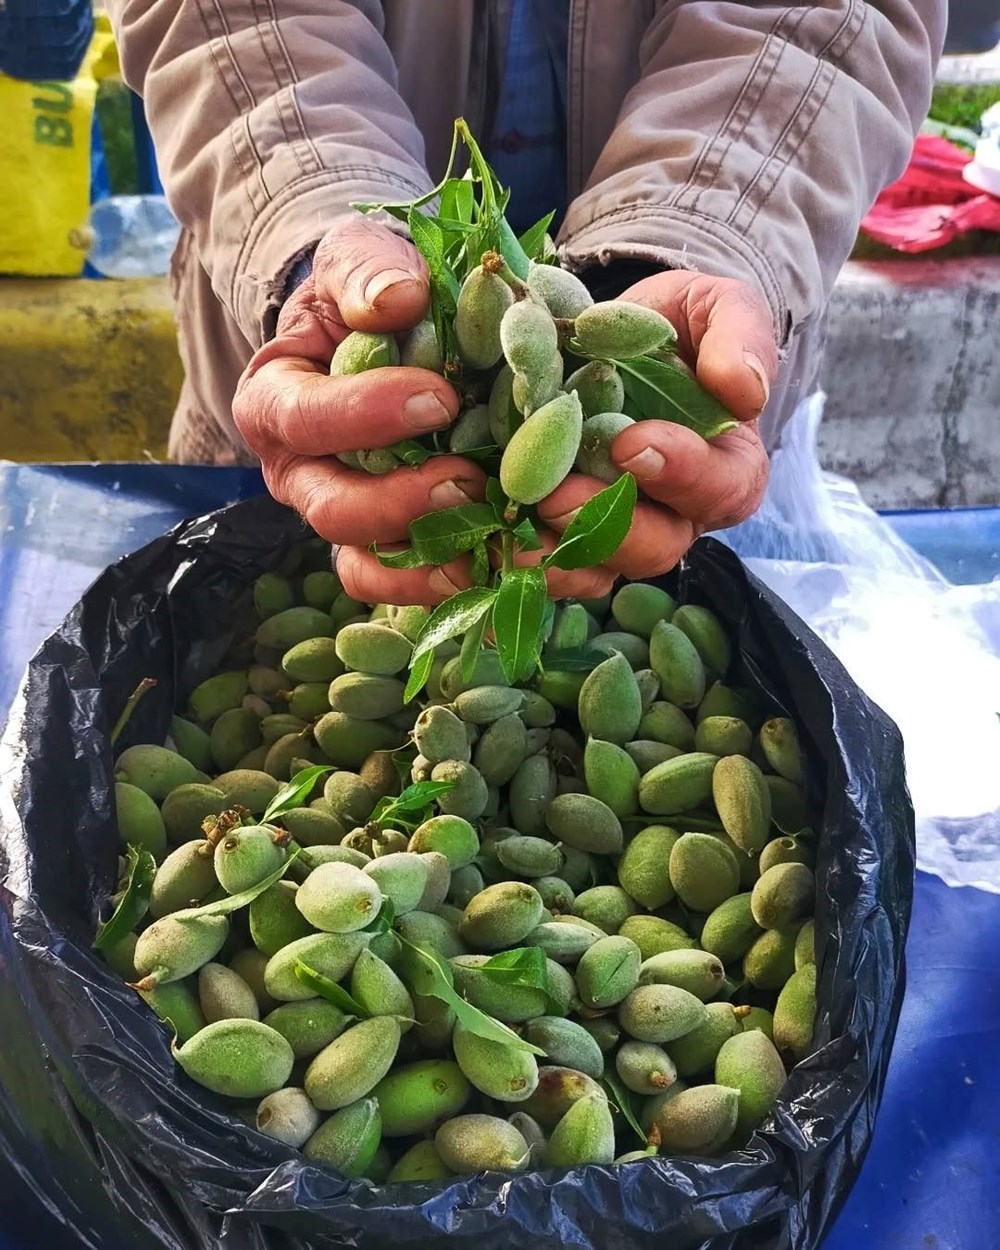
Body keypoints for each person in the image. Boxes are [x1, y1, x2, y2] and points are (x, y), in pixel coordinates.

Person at [108, 1, 944, 605]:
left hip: (694, 370)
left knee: (682, 609)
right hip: (308, 375)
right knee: (270, 608)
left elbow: (823, 25)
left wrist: (683, 247)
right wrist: (319, 218)